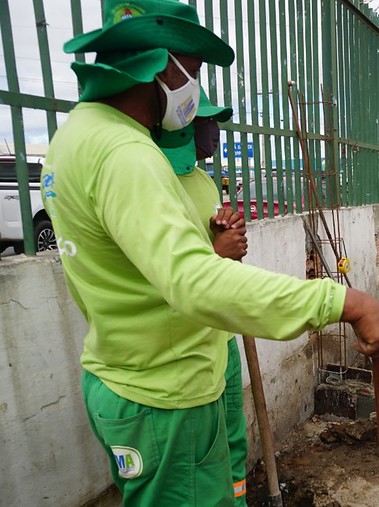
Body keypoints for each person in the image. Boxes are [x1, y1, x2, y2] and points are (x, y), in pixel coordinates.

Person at [42, 1, 379, 505]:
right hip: (165, 395)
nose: (193, 88)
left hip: (129, 374)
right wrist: (345, 302)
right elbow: (194, 281)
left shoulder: (75, 138)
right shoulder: (125, 154)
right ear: (160, 65)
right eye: (190, 72)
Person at [154, 89, 249, 504]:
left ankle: (239, 498)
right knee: (198, 461)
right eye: (204, 122)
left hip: (221, 333)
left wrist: (227, 228)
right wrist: (216, 252)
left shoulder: (201, 177)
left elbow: (214, 239)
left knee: (232, 435)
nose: (212, 131)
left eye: (214, 122)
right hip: (182, 346)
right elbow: (163, 272)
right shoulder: (154, 180)